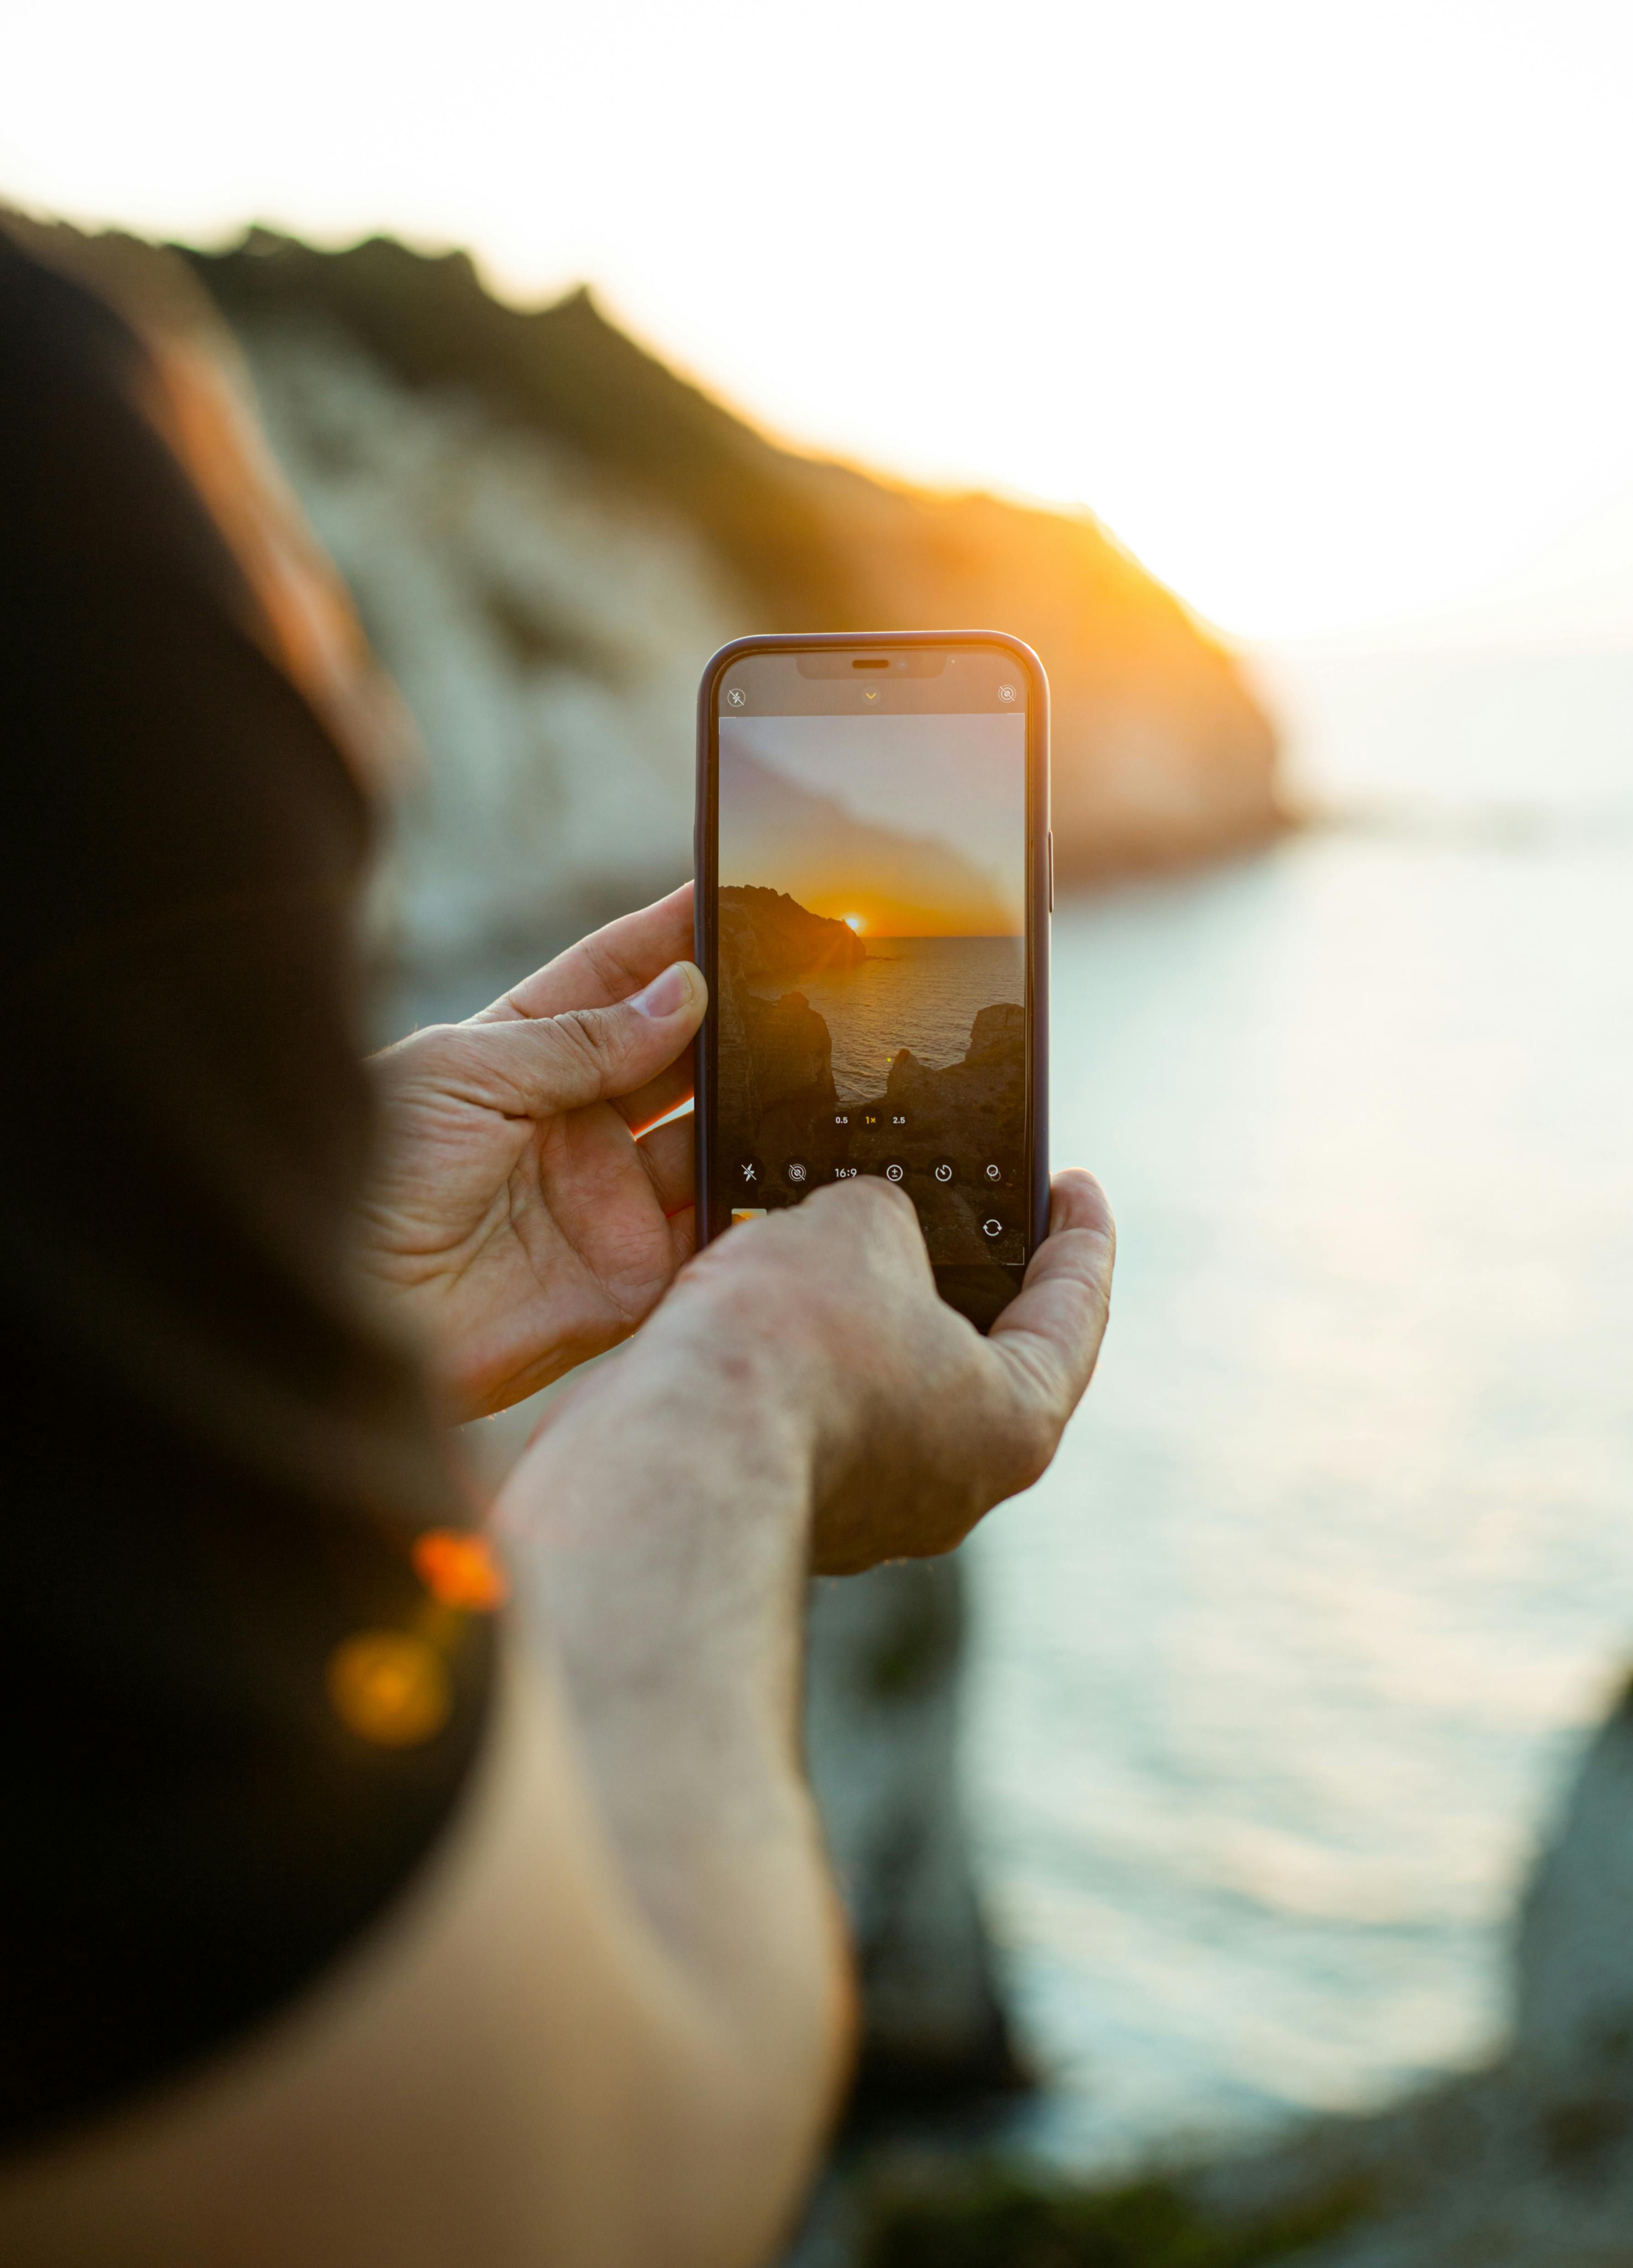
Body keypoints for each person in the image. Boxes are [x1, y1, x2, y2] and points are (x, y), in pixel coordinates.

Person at [0, 208, 1113, 2267]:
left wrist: (321, 1289)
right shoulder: (38, 482)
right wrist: (746, 1394)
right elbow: (504, 2202)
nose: (390, 745)